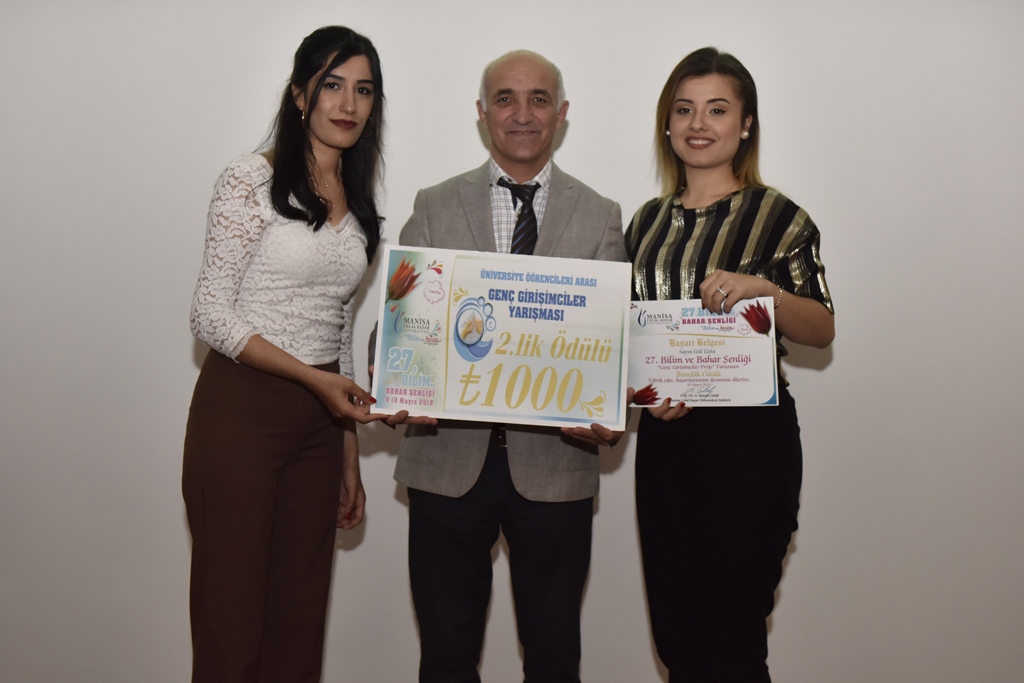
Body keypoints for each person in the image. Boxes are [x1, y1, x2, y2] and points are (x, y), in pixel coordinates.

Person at [390, 50, 627, 683]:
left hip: (557, 468)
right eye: (505, 99)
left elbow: (614, 340)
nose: (522, 114)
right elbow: (398, 320)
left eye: (538, 99)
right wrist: (398, 383)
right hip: (446, 462)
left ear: (562, 113)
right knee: (446, 657)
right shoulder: (434, 204)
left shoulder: (601, 214)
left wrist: (613, 409)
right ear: (482, 111)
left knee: (554, 659)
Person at [182, 26, 388, 683]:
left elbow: (338, 324)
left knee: (300, 623)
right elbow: (209, 313)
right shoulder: (251, 177)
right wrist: (312, 381)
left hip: (321, 426)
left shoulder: (360, 204)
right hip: (243, 410)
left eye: (363, 90)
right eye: (332, 85)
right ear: (300, 94)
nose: (348, 104)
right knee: (231, 620)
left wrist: (348, 448)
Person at [626, 47, 835, 682]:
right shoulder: (645, 223)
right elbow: (631, 331)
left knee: (736, 641)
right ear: (667, 123)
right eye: (683, 109)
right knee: (679, 642)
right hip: (665, 442)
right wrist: (638, 391)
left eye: (717, 110)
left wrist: (765, 293)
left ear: (745, 125)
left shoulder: (780, 218)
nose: (698, 123)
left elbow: (822, 329)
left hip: (749, 444)